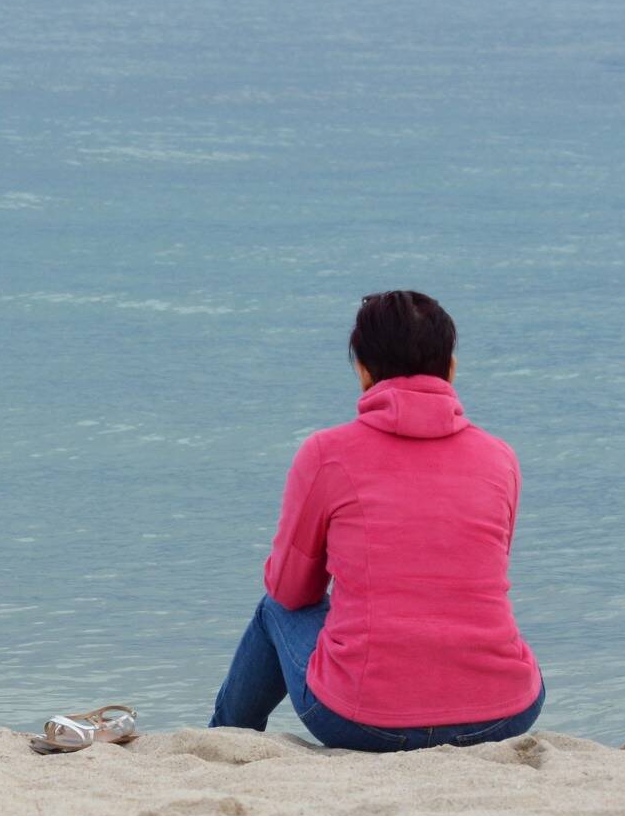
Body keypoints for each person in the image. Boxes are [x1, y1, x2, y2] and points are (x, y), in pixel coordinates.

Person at [209, 291, 544, 751]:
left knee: (275, 609)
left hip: (365, 721)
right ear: (450, 368)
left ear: (363, 370)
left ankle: (224, 741)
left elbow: (291, 591)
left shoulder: (327, 454)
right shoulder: (500, 458)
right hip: (502, 713)